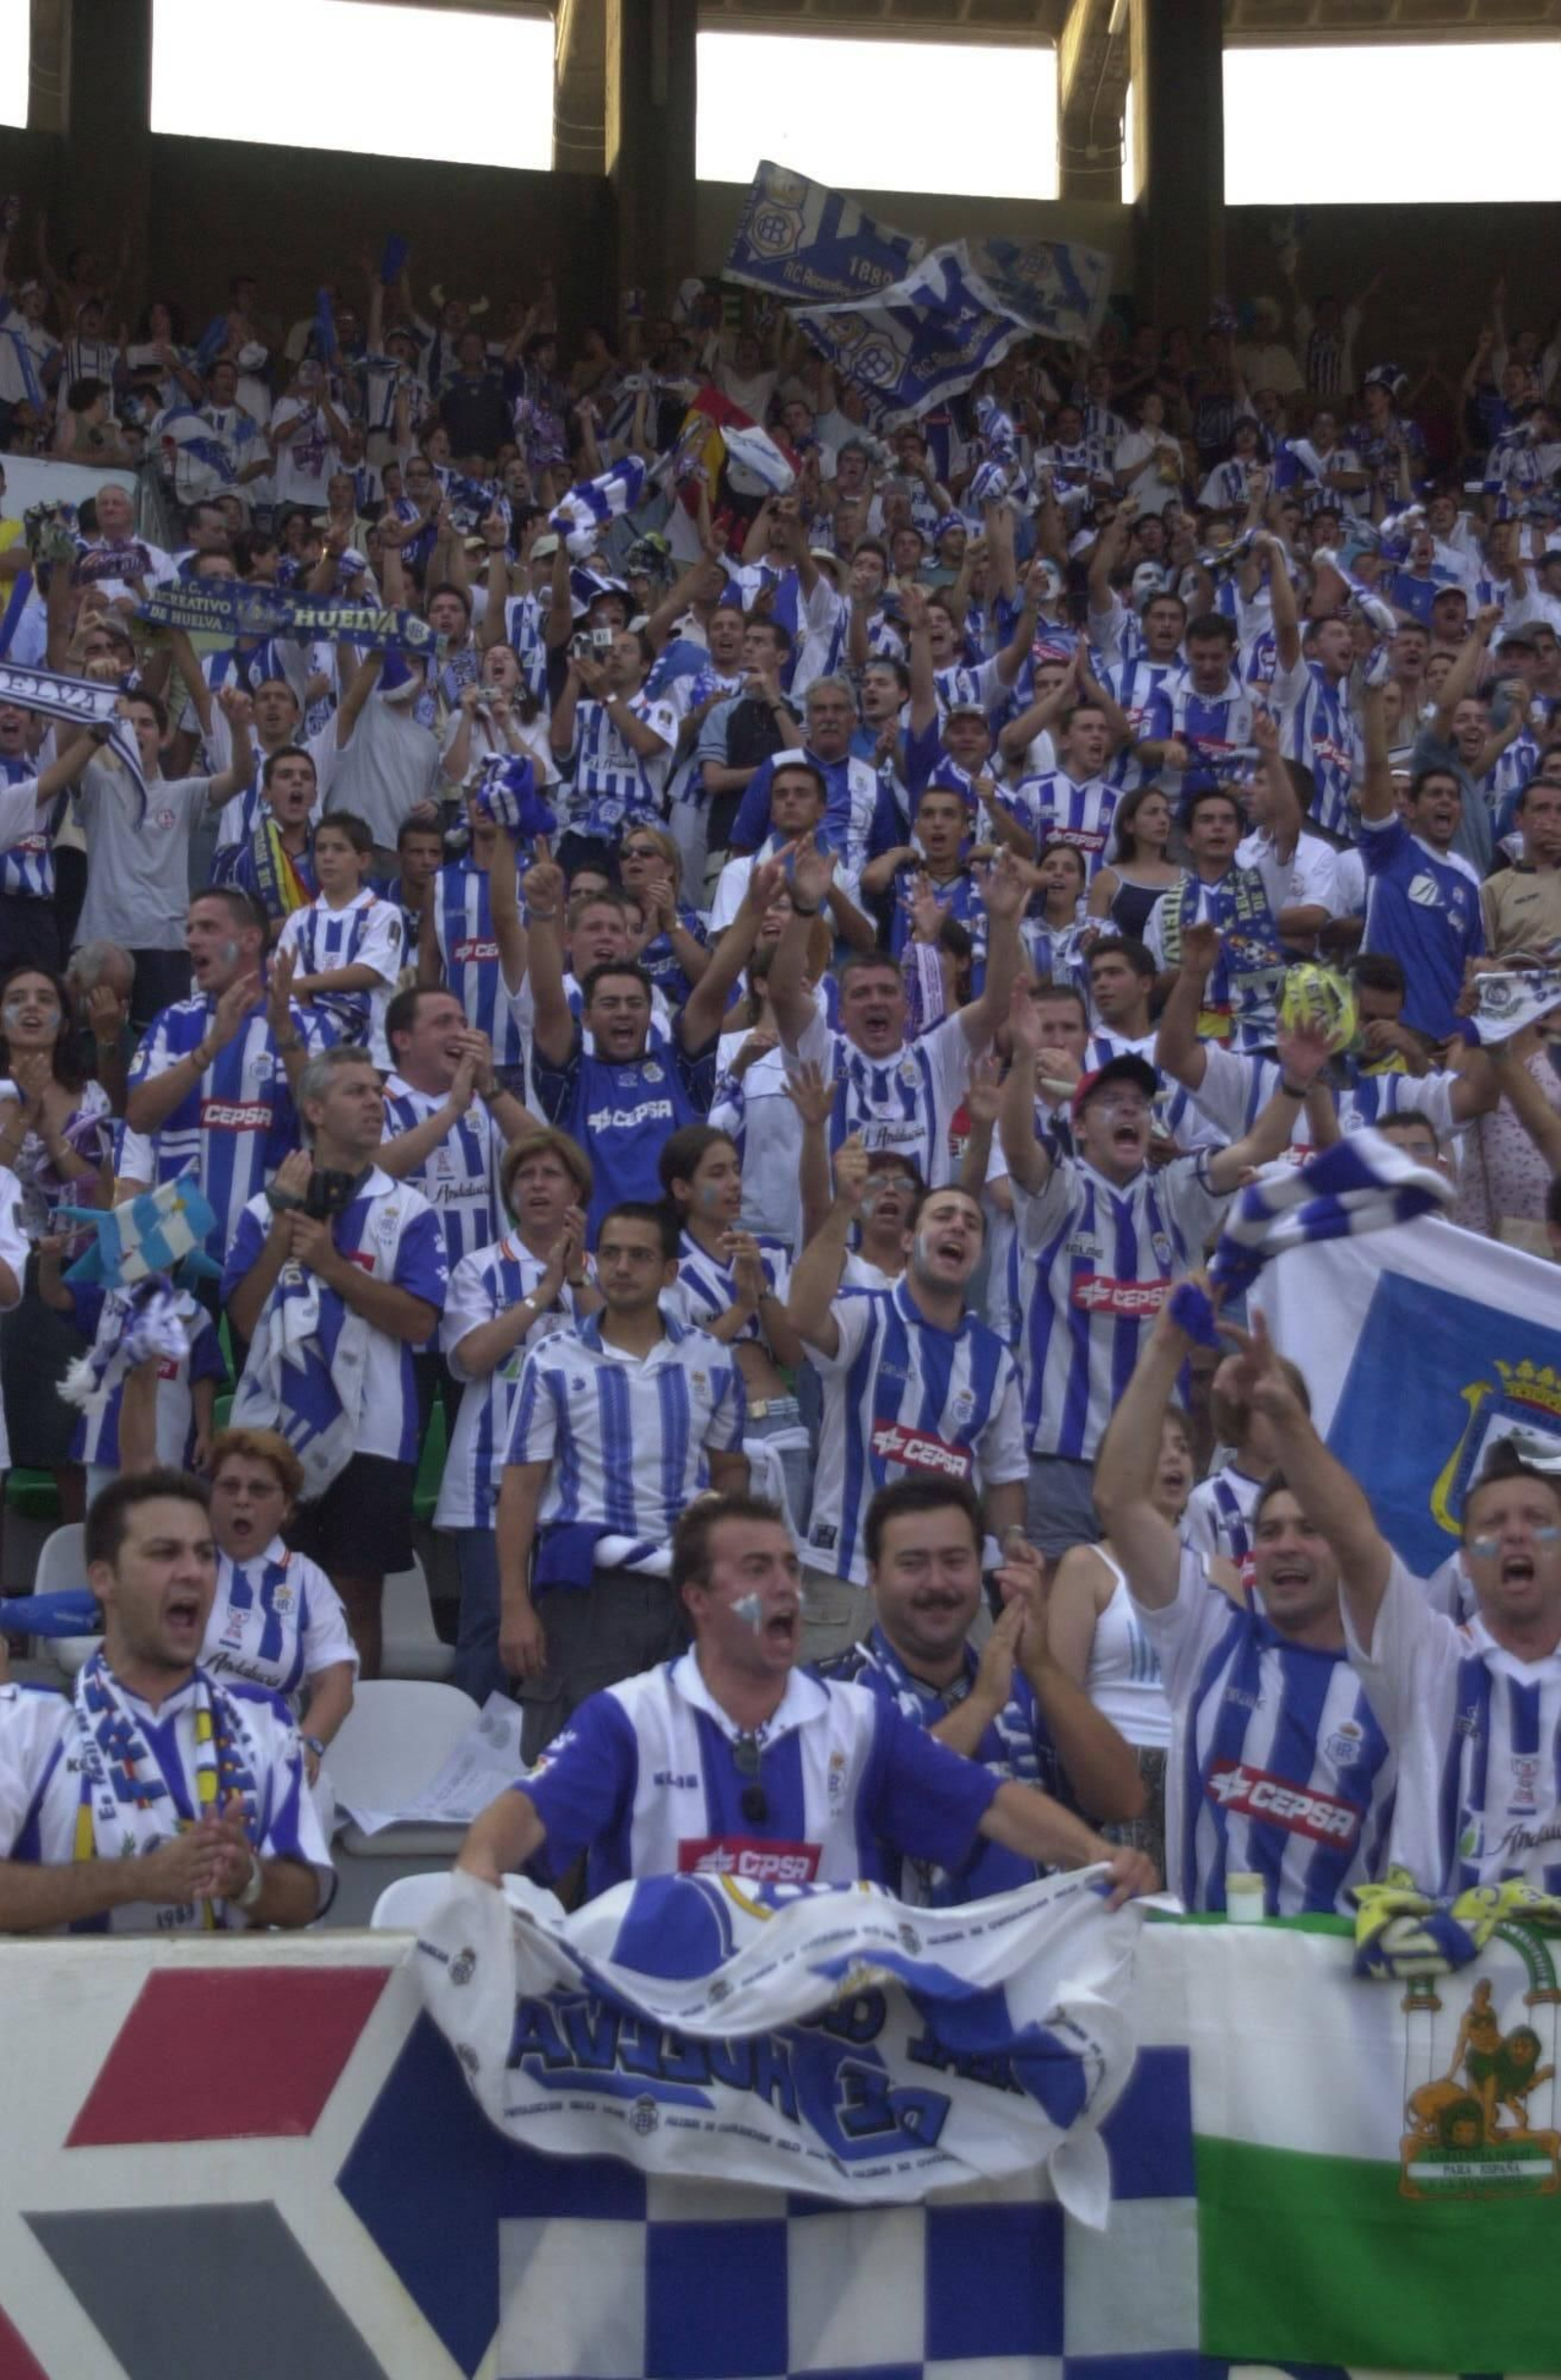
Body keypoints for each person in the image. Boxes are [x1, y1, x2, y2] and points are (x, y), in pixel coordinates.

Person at [457, 1491, 1156, 1907]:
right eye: (756, 1570)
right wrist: (478, 1870)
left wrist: (1097, 1853)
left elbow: (991, 1802)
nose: (786, 1587)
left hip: (817, 2058)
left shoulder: (855, 1718)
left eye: (791, 1568)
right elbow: (523, 1814)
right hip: (663, 2051)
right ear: (697, 1599)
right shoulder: (628, 1718)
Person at [1215, 1309, 1561, 1894]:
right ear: (1465, 1563)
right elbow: (1354, 1538)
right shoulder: (1430, 1659)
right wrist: (1284, 1415)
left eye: (1538, 1520)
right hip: (1440, 1975)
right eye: (1492, 1524)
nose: (1516, 1534)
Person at [1000, 978, 1331, 1559]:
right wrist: (1025, 1058)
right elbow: (1018, 1148)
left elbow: (1254, 1150)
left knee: (1154, 1627)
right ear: (1078, 1126)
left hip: (1154, 1457)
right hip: (1059, 1453)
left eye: (1140, 1104)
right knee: (1057, 1619)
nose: (1130, 1111)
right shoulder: (1058, 1194)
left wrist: (1296, 1082)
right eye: (1111, 1103)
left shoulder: (1176, 1192)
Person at [1094, 1301, 1396, 1916]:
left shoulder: (1401, 1677)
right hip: (1212, 1980)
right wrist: (1165, 1348)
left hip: (1338, 1991)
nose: (1285, 1544)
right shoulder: (1208, 1639)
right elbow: (1118, 1499)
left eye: (1309, 1528)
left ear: (1344, 1548)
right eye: (1272, 1529)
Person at [0, 1469, 331, 1933]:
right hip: (75, 2002)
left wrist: (246, 1877)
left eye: (204, 1554)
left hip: (220, 2003)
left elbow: (305, 1895)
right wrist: (134, 1878)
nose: (193, 1572)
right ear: (103, 1579)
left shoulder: (260, 1720)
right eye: (164, 1553)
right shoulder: (20, 1722)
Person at [496, 1200, 749, 1757]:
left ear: (669, 1272)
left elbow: (732, 1471)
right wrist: (514, 1604)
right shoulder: (552, 1359)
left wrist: (722, 1541)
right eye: (609, 1253)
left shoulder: (712, 1360)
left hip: (686, 1589)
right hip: (587, 1591)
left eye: (640, 1255)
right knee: (576, 1763)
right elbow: (519, 1487)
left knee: (682, 1761)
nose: (622, 1267)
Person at [224, 1046, 448, 1675]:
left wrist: (329, 1266)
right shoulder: (258, 1207)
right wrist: (281, 1228)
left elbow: (419, 1321)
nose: (376, 1102)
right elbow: (245, 1319)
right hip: (275, 1431)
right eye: (357, 1092)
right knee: (269, 1590)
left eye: (379, 1092)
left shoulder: (409, 1211)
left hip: (374, 1432)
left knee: (356, 1599)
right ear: (315, 1109)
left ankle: (351, 1742)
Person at [821, 1477, 1144, 1904]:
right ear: (873, 1577)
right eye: (912, 1564)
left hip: (1034, 1956)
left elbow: (1123, 1799)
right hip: (900, 1961)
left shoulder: (1027, 1687)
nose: (937, 1583)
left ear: (982, 1570)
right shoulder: (835, 1693)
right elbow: (887, 1807)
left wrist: (1043, 1666)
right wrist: (982, 1705)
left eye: (955, 1561)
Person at [785, 1147, 1028, 1655]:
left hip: (951, 1592)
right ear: (908, 1240)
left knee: (979, 1726)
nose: (958, 1227)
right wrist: (842, 1210)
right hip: (849, 1574)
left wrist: (1011, 1541)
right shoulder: (864, 1315)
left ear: (980, 1254)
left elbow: (1004, 1475)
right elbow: (804, 1318)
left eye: (970, 1223)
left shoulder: (996, 1360)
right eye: (942, 1216)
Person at [523, 848, 779, 1242]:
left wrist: (756, 906)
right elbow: (548, 1004)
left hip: (680, 1264)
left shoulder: (681, 1068)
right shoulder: (570, 1083)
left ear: (651, 1010)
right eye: (609, 1004)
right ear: (587, 1019)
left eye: (634, 1003)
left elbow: (713, 990)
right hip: (599, 1263)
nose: (623, 1012)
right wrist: (542, 914)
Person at [435, 1127, 599, 1706]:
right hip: (488, 1480)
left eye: (550, 1175)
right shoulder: (479, 1269)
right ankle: (464, 1778)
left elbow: (621, 1356)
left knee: (568, 1635)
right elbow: (473, 1357)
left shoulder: (605, 1272)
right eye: (525, 1177)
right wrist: (540, 1294)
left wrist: (574, 1281)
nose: (536, 1186)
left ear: (576, 1191)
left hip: (577, 1489)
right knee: (486, 1628)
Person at [118, 889, 321, 1271]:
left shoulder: (307, 1025)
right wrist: (209, 1047)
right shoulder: (173, 1022)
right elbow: (140, 1117)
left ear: (250, 939)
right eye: (190, 928)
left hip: (271, 1250)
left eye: (208, 927)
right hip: (174, 1251)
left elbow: (324, 1122)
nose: (192, 939)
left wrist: (282, 1032)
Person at [1048, 1406, 1192, 1876]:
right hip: (1114, 1776)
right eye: (1157, 1447)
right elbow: (1059, 1694)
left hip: (1195, 1776)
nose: (1175, 1459)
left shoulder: (1220, 1574)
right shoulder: (1085, 1566)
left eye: (1184, 1448)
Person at [658, 1124, 810, 1530]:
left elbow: (793, 1357)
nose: (734, 1184)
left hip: (778, 1420)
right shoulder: (665, 1262)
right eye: (717, 1173)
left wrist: (759, 1286)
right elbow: (675, 1358)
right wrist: (741, 1309)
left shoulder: (769, 1253)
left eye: (736, 1170)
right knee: (720, 1566)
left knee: (785, 1570)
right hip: (702, 1429)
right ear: (682, 1188)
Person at [276, 811, 404, 1068]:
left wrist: (306, 985)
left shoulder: (384, 913)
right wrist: (300, 988)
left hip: (369, 1057)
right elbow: (286, 985)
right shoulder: (299, 920)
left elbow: (369, 972)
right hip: (312, 1057)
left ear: (363, 860)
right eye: (321, 849)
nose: (327, 857)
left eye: (339, 849)